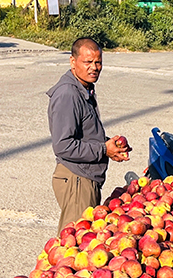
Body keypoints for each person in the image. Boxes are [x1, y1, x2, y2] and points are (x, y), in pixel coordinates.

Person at [47, 38, 130, 233]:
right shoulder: (68, 94)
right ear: (72, 61)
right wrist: (103, 149)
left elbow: (85, 135)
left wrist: (111, 147)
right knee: (74, 245)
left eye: (98, 62)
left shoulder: (83, 88)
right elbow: (63, 146)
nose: (94, 67)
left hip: (85, 177)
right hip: (77, 179)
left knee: (83, 241)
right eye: (87, 62)